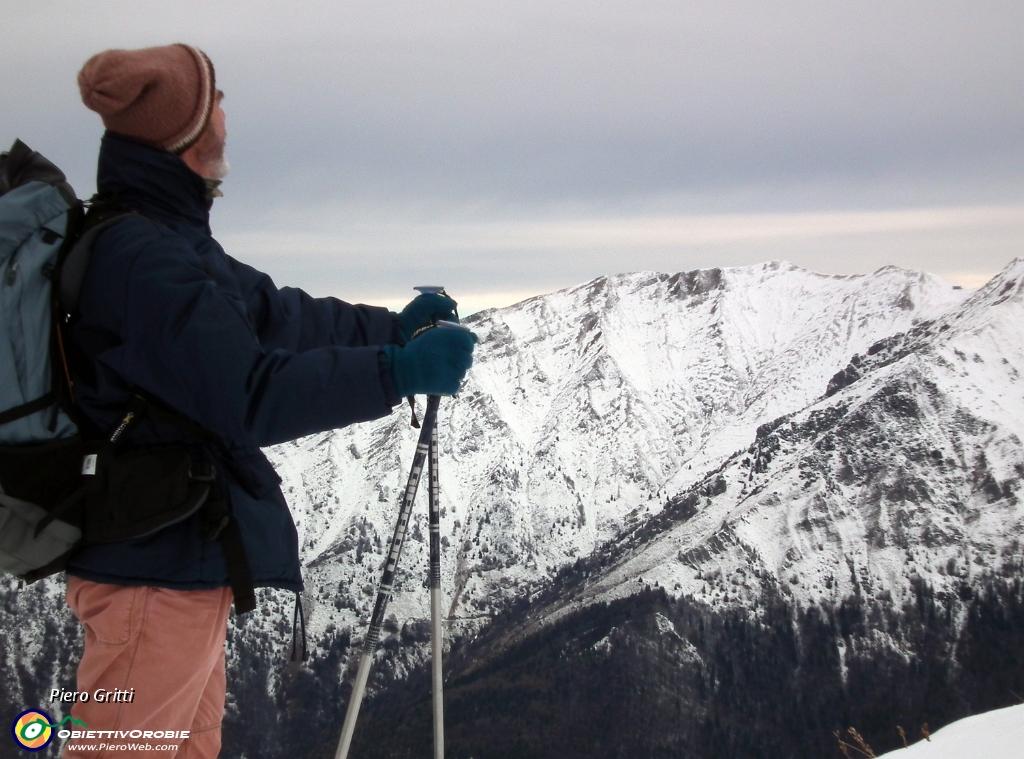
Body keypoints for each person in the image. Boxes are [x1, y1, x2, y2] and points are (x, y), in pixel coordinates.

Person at [61, 43, 476, 759]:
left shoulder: (169, 240)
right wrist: (394, 372)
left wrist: (392, 329)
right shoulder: (145, 259)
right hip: (151, 576)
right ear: (186, 133)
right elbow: (248, 394)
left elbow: (274, 313)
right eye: (215, 101)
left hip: (176, 562)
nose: (227, 112)